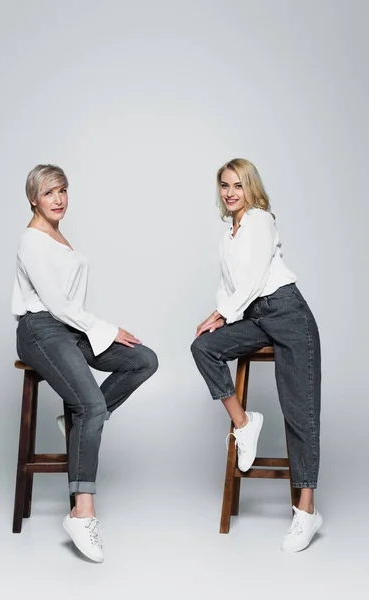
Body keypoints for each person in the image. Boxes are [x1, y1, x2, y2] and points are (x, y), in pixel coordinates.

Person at [12, 164, 158, 562]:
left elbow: (70, 306)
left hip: (69, 328)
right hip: (41, 331)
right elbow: (56, 305)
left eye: (62, 190)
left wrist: (98, 331)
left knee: (144, 359)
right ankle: (82, 512)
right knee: (92, 405)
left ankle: (79, 424)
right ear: (33, 199)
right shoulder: (32, 241)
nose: (58, 199)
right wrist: (107, 328)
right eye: (49, 193)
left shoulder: (57, 234)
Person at [191, 158, 322, 553]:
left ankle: (306, 510)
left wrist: (225, 313)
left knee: (300, 413)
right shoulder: (226, 233)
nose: (230, 193)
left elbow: (253, 277)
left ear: (250, 188)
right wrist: (217, 314)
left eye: (237, 185)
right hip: (255, 315)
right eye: (224, 186)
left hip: (287, 312)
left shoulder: (261, 220)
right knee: (203, 347)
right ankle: (244, 423)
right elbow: (227, 283)